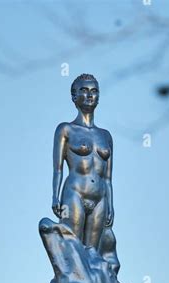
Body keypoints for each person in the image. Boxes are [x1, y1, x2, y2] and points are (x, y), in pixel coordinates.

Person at [52, 74, 114, 249]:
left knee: (93, 254)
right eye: (84, 90)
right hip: (75, 192)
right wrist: (55, 196)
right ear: (74, 96)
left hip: (100, 197)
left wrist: (111, 204)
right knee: (73, 250)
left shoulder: (105, 136)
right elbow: (58, 169)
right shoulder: (66, 129)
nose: (89, 95)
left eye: (94, 91)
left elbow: (108, 178)